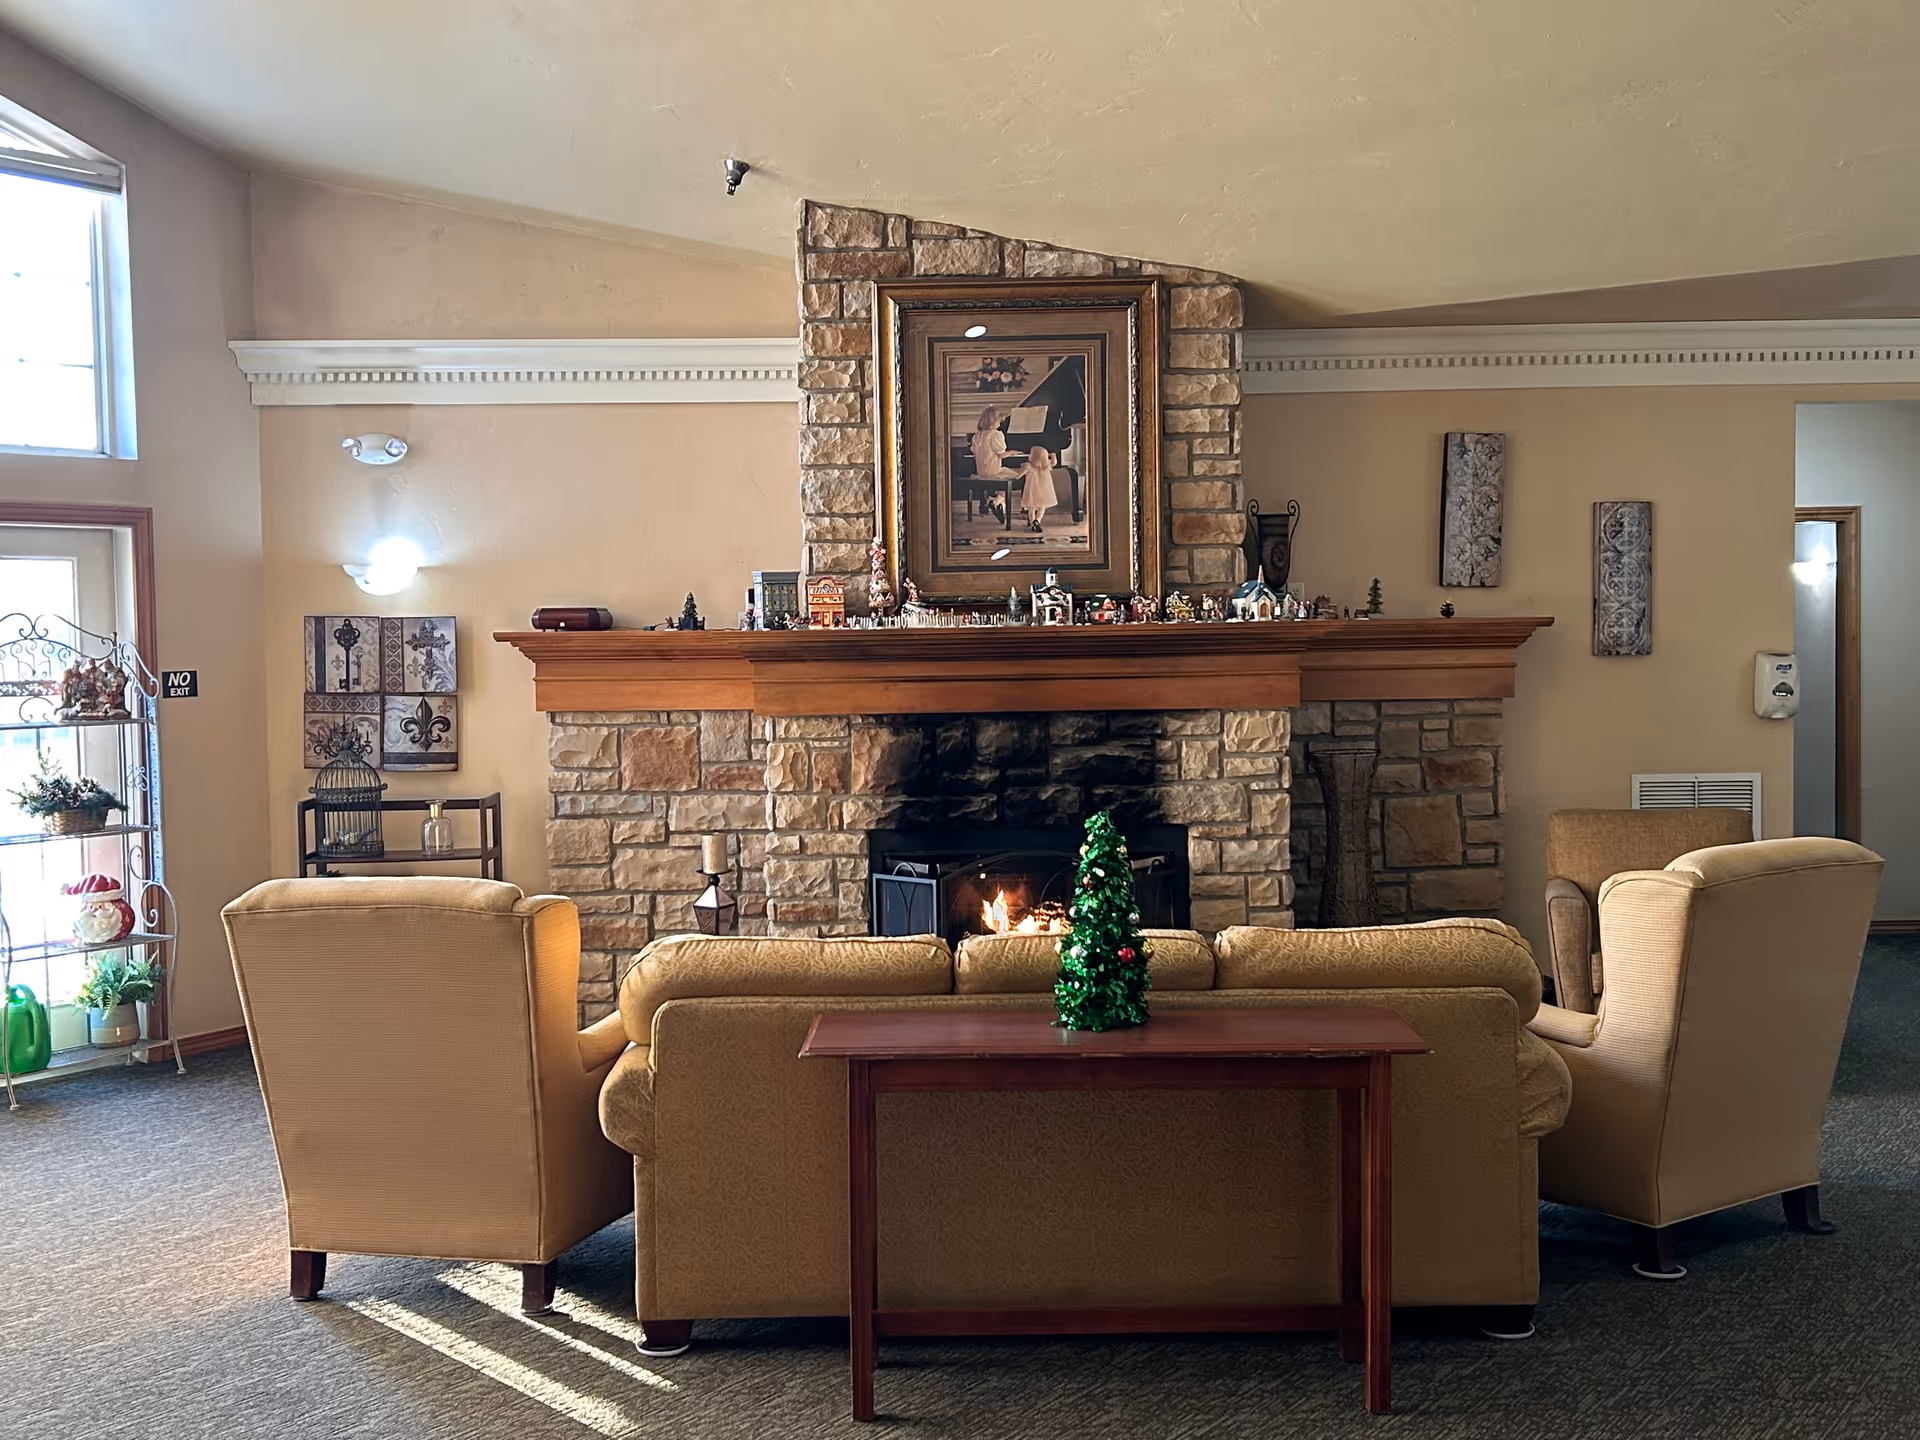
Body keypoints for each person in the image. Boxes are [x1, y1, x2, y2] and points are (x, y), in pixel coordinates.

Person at [968, 407, 1018, 523]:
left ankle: (999, 503)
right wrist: (1013, 452)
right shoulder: (996, 435)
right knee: (1016, 476)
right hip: (993, 471)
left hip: (981, 472)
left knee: (1006, 479)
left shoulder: (976, 436)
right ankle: (996, 501)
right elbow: (1001, 455)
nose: (1000, 423)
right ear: (993, 421)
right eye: (999, 421)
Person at [1017, 445, 1059, 531]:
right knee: (1042, 507)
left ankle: (1032, 522)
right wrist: (1052, 454)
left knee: (1031, 508)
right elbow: (1054, 462)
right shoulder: (1046, 466)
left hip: (1032, 492)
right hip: (1044, 491)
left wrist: (1014, 477)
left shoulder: (1028, 466)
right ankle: (1038, 520)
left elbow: (1019, 475)